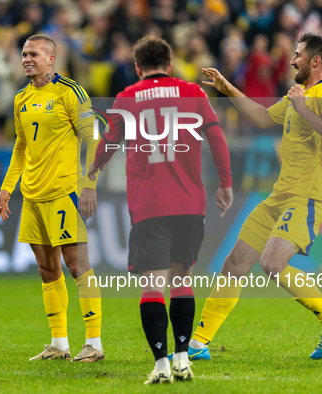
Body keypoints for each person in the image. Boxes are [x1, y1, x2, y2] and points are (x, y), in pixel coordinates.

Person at [187, 33, 322, 361]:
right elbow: (263, 117)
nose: (292, 60)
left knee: (272, 263)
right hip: (278, 196)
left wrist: (303, 108)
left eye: (298, 55)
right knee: (233, 264)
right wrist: (228, 89)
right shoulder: (298, 94)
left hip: (307, 197)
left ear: (315, 61)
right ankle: (198, 343)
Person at [88, 36, 233, 384]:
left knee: (153, 285)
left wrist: (95, 167)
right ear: (169, 65)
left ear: (138, 68)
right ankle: (183, 358)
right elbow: (216, 137)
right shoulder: (194, 93)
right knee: (183, 278)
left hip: (149, 205)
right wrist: (225, 183)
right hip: (189, 203)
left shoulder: (127, 97)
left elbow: (108, 141)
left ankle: (162, 366)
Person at [0, 34, 104, 362]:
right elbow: (20, 145)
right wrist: (7, 187)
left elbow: (93, 138)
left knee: (77, 266)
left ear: (52, 58)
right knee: (47, 270)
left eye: (34, 54)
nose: (27, 58)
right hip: (32, 196)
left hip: (63, 193)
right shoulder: (21, 99)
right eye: (24, 53)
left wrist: (90, 184)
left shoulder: (71, 92)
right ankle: (59, 343)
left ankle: (94, 343)